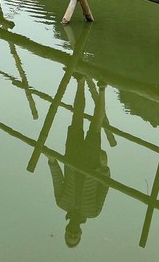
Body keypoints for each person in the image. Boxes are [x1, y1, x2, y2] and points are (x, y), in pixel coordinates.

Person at [48, 77, 110, 247]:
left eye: (70, 235)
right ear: (81, 233)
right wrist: (104, 167)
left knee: (76, 120)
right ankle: (103, 90)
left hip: (72, 160)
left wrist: (53, 162)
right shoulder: (93, 212)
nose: (73, 232)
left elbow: (57, 180)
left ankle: (81, 82)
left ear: (66, 230)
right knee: (96, 127)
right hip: (92, 164)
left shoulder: (62, 203)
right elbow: (104, 187)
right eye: (76, 236)